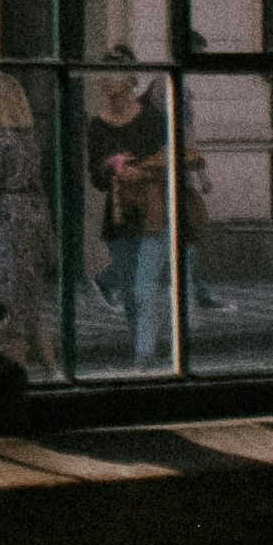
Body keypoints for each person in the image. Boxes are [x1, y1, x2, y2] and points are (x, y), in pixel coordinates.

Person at [86, 55, 169, 364]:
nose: (106, 79)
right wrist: (110, 165)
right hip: (119, 216)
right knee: (131, 292)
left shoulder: (152, 119)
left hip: (151, 212)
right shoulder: (97, 125)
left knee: (144, 289)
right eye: (101, 73)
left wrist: (142, 172)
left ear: (130, 78)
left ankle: (144, 355)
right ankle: (141, 347)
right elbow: (96, 178)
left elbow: (170, 162)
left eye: (113, 72)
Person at [0, 68, 52, 365]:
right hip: (33, 215)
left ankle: (10, 367)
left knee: (3, 301)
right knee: (28, 299)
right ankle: (49, 364)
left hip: (4, 223)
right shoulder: (28, 138)